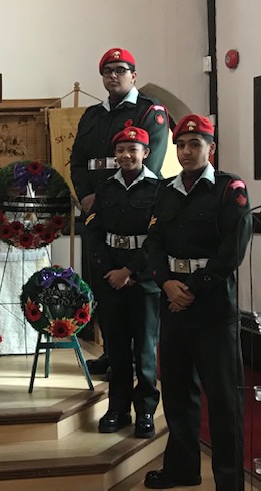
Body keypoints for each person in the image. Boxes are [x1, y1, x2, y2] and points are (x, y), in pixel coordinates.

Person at [144, 114, 252, 490]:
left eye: (195, 144)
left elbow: (231, 251)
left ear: (211, 148)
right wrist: (167, 284)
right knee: (176, 394)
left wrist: (189, 289)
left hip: (212, 308)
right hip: (173, 306)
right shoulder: (166, 191)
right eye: (181, 145)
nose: (187, 151)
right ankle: (183, 469)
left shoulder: (228, 189)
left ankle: (228, 482)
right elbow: (152, 244)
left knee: (223, 403)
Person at [70, 47, 169, 376]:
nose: (113, 75)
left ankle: (139, 368)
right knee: (103, 288)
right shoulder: (92, 116)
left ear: (133, 75)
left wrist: (122, 200)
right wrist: (85, 197)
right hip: (98, 214)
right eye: (108, 70)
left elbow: (149, 166)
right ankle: (113, 354)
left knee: (136, 297)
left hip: (134, 211)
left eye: (121, 69)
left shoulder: (149, 112)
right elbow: (79, 162)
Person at [85, 126, 161, 438]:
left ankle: (145, 412)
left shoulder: (160, 190)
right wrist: (110, 273)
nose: (126, 155)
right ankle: (117, 409)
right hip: (111, 280)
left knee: (144, 350)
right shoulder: (106, 189)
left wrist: (129, 272)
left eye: (133, 149)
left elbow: (157, 239)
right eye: (120, 150)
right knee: (115, 348)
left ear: (146, 153)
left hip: (143, 283)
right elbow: (95, 232)